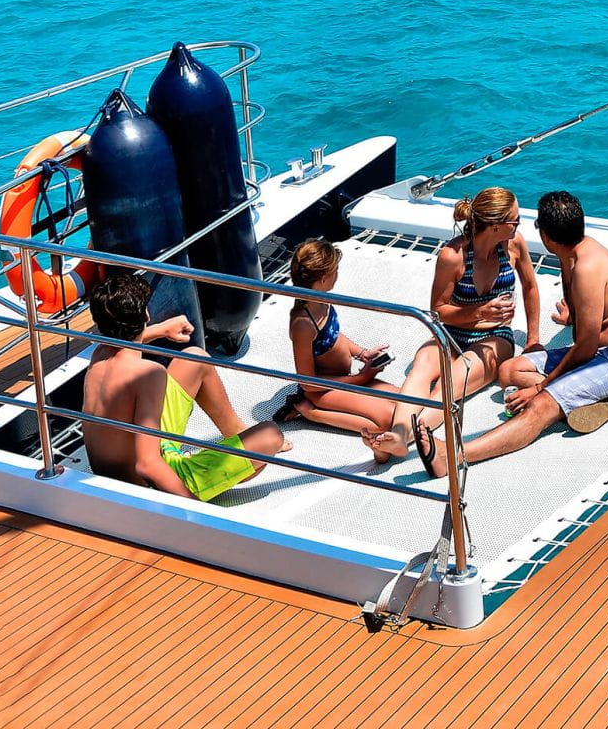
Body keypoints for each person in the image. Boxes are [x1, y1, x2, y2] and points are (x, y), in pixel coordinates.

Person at [416, 190, 608, 477]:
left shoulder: (586, 267)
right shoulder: (573, 257)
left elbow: (585, 346)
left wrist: (541, 388)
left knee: (539, 405)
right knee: (510, 371)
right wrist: (573, 317)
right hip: (604, 352)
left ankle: (453, 456)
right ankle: (583, 399)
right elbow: (589, 330)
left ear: (546, 236)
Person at [366, 186, 541, 462]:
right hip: (451, 331)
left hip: (495, 336)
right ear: (496, 226)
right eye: (515, 221)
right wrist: (480, 310)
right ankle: (398, 436)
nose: (519, 226)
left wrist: (532, 340)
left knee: (452, 382)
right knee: (422, 366)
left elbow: (530, 286)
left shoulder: (514, 245)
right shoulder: (453, 256)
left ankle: (402, 439)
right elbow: (438, 311)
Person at [82, 269, 284, 502]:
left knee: (194, 358)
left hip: (111, 473)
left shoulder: (100, 354)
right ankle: (223, 455)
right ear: (146, 314)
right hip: (147, 486)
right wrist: (193, 510)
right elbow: (147, 464)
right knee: (271, 437)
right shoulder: (148, 374)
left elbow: (125, 341)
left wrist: (163, 329)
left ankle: (237, 432)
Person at [274, 239, 400, 435]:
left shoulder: (322, 301)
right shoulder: (303, 323)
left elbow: (333, 336)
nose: (338, 274)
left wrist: (362, 353)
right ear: (323, 279)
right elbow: (308, 382)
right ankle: (310, 412)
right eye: (335, 270)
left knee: (404, 401)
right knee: (387, 422)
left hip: (343, 380)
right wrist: (361, 378)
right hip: (321, 390)